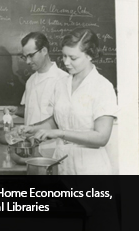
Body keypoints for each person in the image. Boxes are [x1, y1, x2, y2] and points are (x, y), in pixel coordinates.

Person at [18, 27, 118, 175]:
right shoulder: (62, 83)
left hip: (90, 170)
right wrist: (34, 128)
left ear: (90, 55)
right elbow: (59, 119)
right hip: (62, 163)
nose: (66, 62)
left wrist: (61, 133)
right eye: (64, 56)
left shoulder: (102, 87)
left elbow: (101, 137)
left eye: (73, 58)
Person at [5, 32, 68, 154]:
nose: (27, 61)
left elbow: (61, 119)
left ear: (44, 51)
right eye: (25, 57)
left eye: (31, 56)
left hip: (52, 148)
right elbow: (32, 110)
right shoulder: (31, 80)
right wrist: (17, 110)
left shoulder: (63, 80)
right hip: (29, 146)